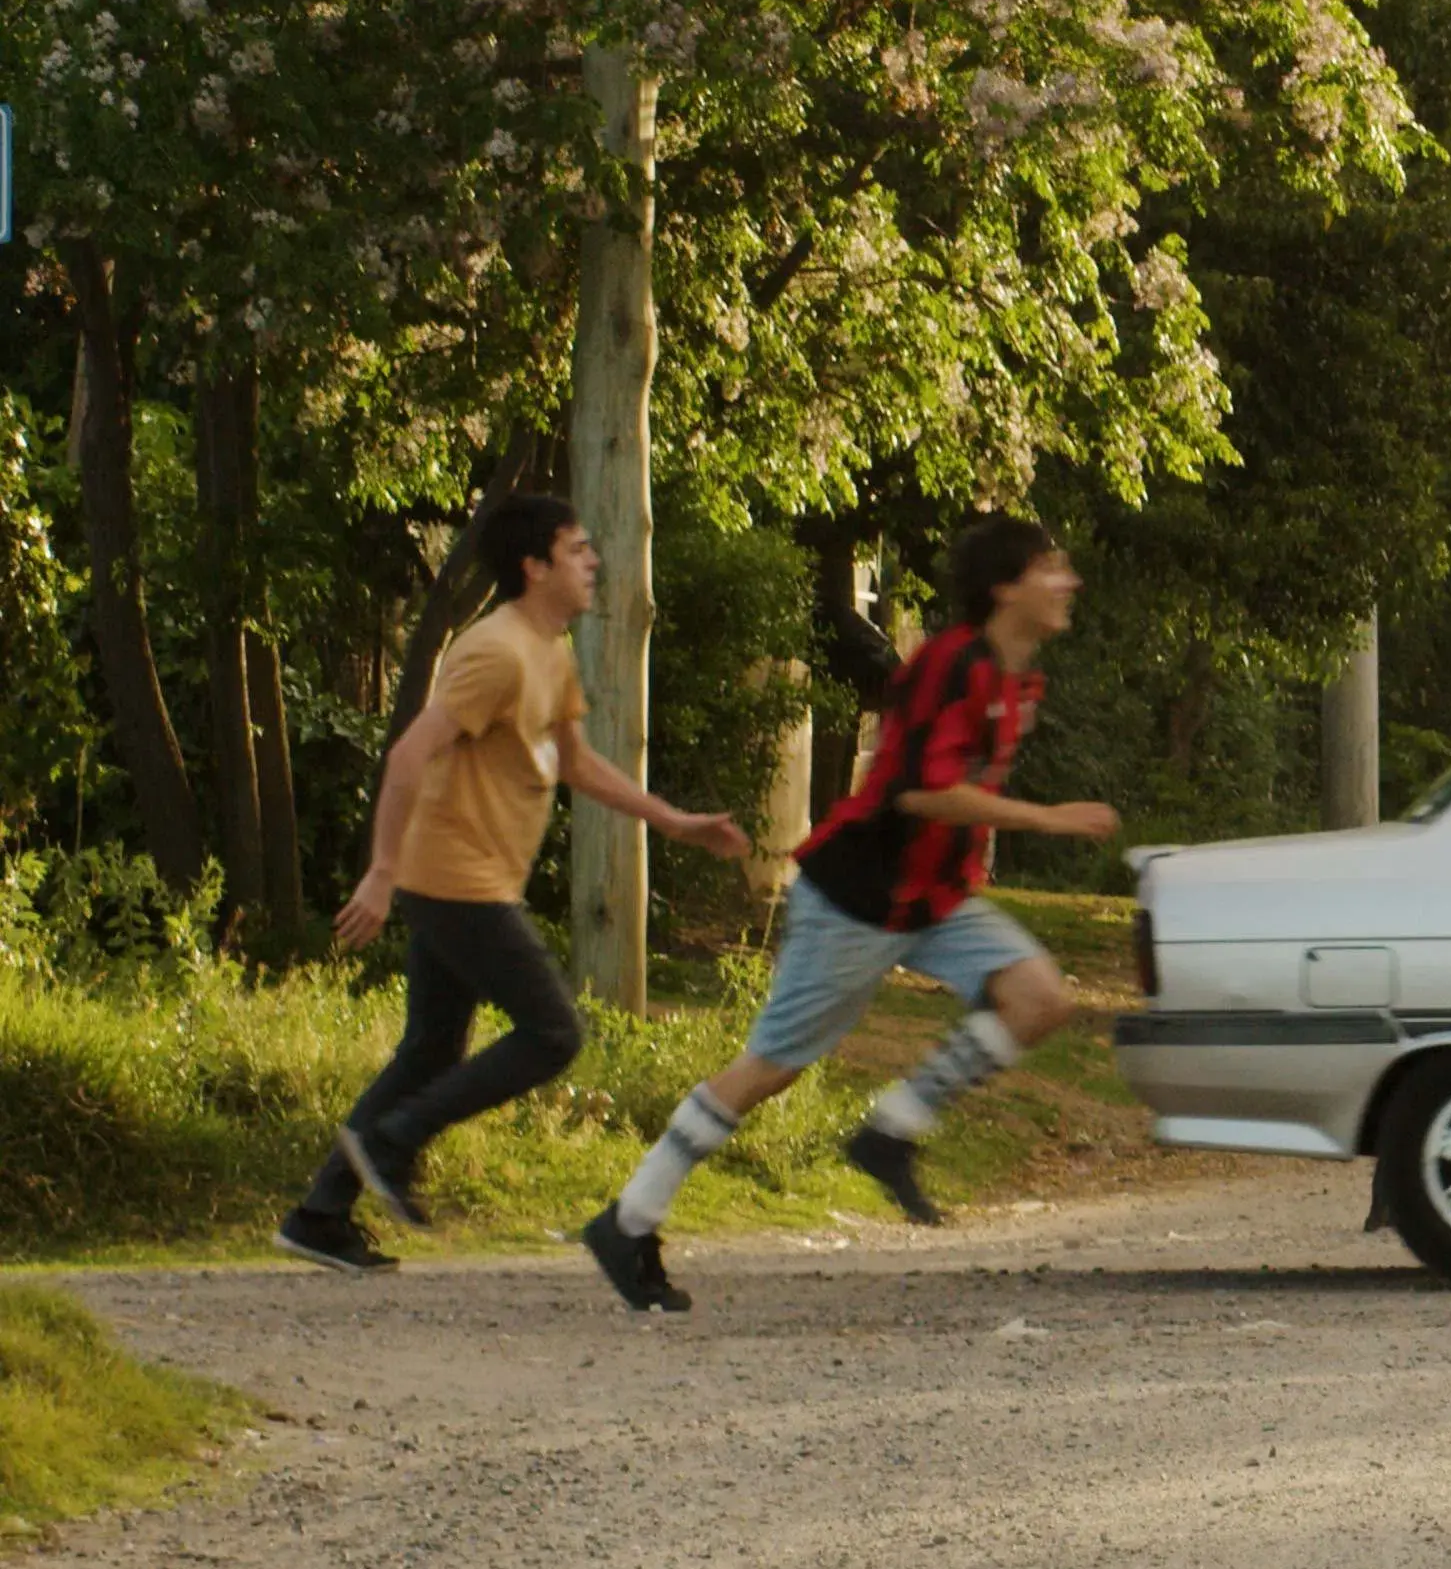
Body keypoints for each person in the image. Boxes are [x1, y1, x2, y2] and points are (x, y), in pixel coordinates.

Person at [583, 515, 1118, 1313]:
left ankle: (888, 1132)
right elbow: (917, 790)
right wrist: (1051, 818)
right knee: (772, 1066)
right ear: (1008, 586)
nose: (1068, 582)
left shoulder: (1015, 680)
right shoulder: (950, 665)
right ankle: (628, 1219)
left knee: (1041, 997)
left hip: (933, 898)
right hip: (855, 897)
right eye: (1053, 567)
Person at [277, 495, 751, 1274]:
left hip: (472, 876)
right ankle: (392, 1143)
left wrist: (671, 820)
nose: (593, 561)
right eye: (577, 549)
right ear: (535, 567)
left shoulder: (549, 650)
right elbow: (406, 757)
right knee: (554, 1032)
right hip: (455, 878)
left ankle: (318, 1216)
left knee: (430, 1050)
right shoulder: (494, 651)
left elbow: (575, 762)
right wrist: (382, 874)